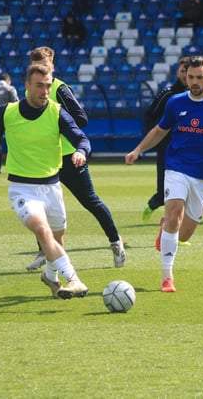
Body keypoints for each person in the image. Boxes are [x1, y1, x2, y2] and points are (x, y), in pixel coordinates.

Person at [0, 63, 90, 300]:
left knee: (56, 239)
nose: (45, 91)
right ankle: (74, 279)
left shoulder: (57, 112)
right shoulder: (7, 112)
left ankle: (50, 277)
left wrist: (81, 151)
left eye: (48, 86)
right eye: (39, 86)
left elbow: (81, 137)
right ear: (27, 86)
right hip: (23, 189)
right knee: (42, 231)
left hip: (52, 188)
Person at [125, 55, 203, 293]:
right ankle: (167, 277)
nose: (195, 82)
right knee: (173, 213)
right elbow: (159, 131)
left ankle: (167, 227)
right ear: (185, 77)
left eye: (200, 77)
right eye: (191, 77)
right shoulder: (176, 102)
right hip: (177, 166)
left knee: (184, 233)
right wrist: (138, 149)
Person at [25, 46, 126, 271]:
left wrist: (59, 128)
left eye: (46, 67)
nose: (42, 71)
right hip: (44, 159)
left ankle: (115, 242)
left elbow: (81, 118)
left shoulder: (60, 89)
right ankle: (44, 250)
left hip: (71, 157)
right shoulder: (29, 92)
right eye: (37, 67)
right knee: (38, 206)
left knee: (90, 200)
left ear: (52, 66)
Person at [141, 57, 188, 223]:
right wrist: (155, 139)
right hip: (167, 149)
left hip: (190, 150)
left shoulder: (201, 96)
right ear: (177, 72)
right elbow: (149, 114)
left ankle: (176, 231)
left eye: (188, 71)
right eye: (182, 71)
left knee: (186, 193)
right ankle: (152, 205)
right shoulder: (168, 94)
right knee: (164, 192)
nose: (185, 74)